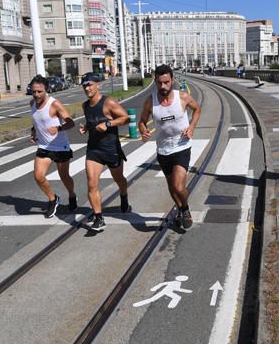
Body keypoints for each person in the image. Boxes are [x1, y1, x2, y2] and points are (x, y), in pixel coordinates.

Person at [138, 64, 201, 229]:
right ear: (155, 81)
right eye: (159, 83)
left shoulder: (183, 97)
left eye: (166, 82)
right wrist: (143, 131)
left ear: (172, 80)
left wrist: (192, 127)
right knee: (172, 188)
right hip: (163, 150)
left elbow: (197, 109)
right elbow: (142, 122)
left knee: (179, 187)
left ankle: (185, 209)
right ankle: (180, 208)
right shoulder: (150, 101)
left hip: (181, 146)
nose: (163, 86)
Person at [78, 73, 130, 232]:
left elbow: (126, 118)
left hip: (111, 149)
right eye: (84, 86)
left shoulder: (109, 103)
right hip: (94, 150)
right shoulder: (85, 106)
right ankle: (99, 217)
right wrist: (86, 128)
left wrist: (108, 124)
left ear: (97, 85)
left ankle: (123, 195)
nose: (87, 88)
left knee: (119, 179)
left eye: (90, 85)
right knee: (92, 183)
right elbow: (91, 121)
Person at [29, 74, 77, 218]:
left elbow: (71, 123)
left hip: (60, 146)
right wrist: (33, 131)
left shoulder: (54, 104)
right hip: (44, 146)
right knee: (38, 176)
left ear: (46, 90)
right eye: (34, 91)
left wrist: (59, 128)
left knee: (64, 177)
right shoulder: (32, 103)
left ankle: (72, 195)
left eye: (39, 92)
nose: (36, 95)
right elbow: (37, 120)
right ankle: (53, 199)